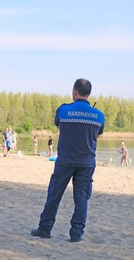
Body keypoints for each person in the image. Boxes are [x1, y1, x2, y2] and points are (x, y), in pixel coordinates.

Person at [31, 78, 105, 243]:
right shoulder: (99, 115)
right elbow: (98, 135)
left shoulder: (63, 110)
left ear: (75, 91)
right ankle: (76, 234)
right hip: (86, 163)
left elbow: (59, 127)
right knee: (81, 199)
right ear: (89, 94)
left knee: (54, 195)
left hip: (65, 161)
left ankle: (45, 229)